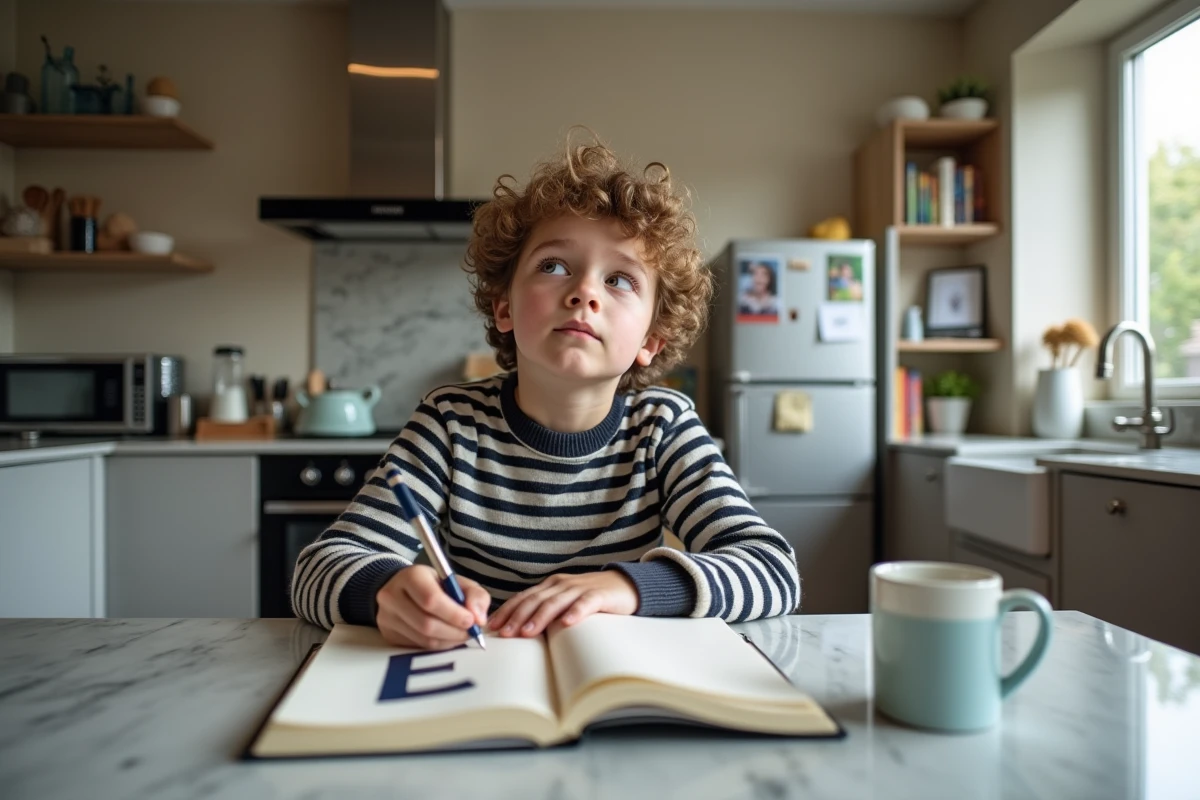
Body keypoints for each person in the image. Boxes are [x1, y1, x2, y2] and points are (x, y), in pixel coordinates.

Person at [291, 133, 801, 649]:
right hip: (480, 671)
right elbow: (317, 568)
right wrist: (383, 592)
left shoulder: (661, 427)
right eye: (554, 266)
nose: (584, 292)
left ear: (651, 340)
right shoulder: (449, 422)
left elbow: (772, 570)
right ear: (505, 309)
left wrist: (627, 586)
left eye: (620, 280)